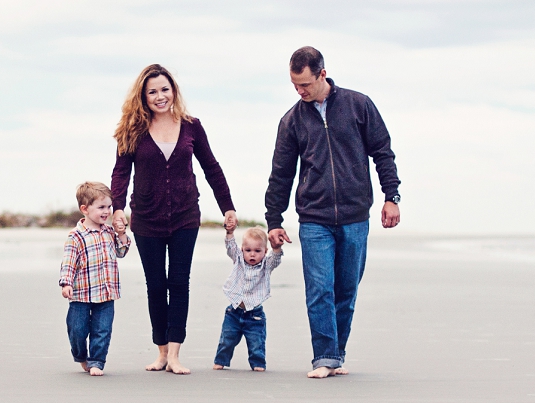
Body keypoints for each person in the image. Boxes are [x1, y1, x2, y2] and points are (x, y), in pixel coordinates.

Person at [264, 46, 403, 379]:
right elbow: (281, 173)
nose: (300, 91)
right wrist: (274, 220)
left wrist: (391, 196)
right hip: (314, 218)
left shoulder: (359, 105)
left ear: (322, 74)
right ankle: (324, 356)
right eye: (295, 85)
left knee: (346, 290)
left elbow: (382, 152)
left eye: (305, 85)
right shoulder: (292, 120)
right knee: (320, 289)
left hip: (356, 216)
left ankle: (336, 354)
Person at [111, 64, 237, 375]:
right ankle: (162, 352)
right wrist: (116, 208)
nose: (159, 96)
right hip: (146, 219)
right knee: (156, 285)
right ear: (143, 96)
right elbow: (121, 172)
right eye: (152, 91)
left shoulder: (192, 126)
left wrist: (228, 207)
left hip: (185, 216)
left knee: (179, 283)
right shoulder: (132, 129)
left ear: (174, 91)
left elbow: (211, 167)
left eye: (164, 89)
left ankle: (176, 353)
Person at [59, 182, 131, 376]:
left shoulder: (109, 232)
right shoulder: (76, 236)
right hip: (81, 293)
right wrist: (66, 283)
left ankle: (97, 361)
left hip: (106, 292)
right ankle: (81, 356)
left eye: (109, 206)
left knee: (102, 331)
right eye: (101, 207)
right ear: (85, 209)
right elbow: (68, 262)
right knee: (77, 330)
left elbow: (121, 251)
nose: (107, 211)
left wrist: (122, 233)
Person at [212, 225, 284, 372]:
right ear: (242, 250)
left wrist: (277, 248)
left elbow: (275, 260)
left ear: (265, 251)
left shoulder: (266, 265)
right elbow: (230, 247)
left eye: (257, 251)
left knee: (256, 341)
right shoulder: (238, 260)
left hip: (255, 315)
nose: (252, 255)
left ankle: (258, 363)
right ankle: (221, 360)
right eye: (248, 250)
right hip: (234, 311)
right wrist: (230, 232)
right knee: (227, 339)